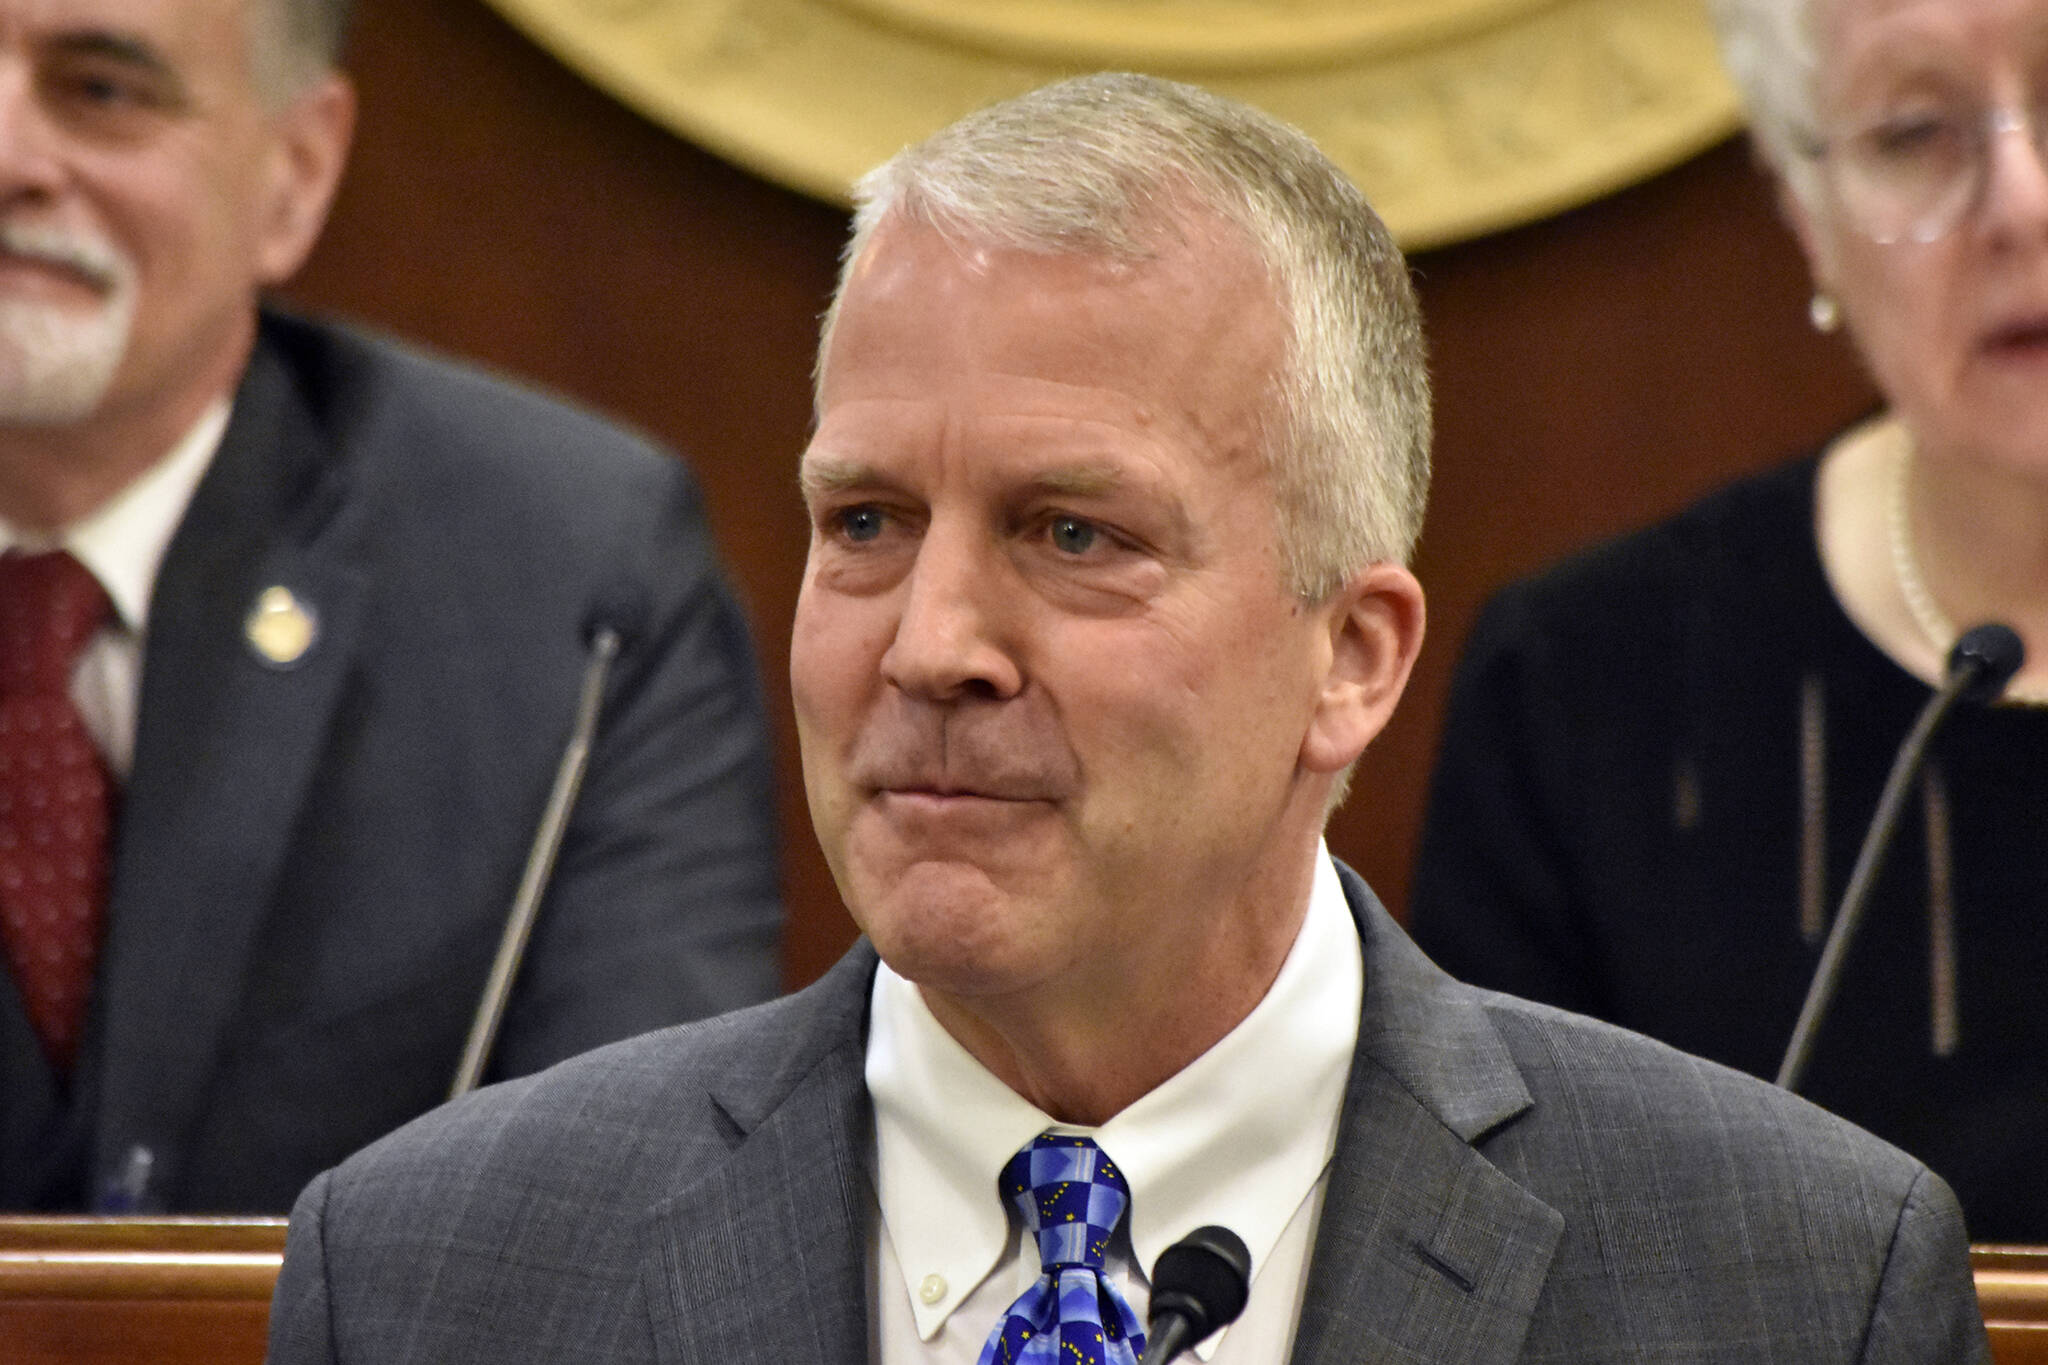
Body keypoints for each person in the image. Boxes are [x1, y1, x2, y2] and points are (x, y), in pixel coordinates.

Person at [266, 73, 1987, 1363]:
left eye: (1070, 535)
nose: (930, 646)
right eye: (862, 523)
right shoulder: (434, 1277)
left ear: (1353, 659)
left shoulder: (1790, 1286)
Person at [0, 0, 782, 1213]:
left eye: (101, 90)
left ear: (294, 174)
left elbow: (641, 1212)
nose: (9, 154)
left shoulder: (571, 575)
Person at [1409, 0, 2048, 1242]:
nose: (2019, 203)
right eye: (1913, 130)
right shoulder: (1583, 689)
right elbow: (1492, 1269)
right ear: (1806, 221)